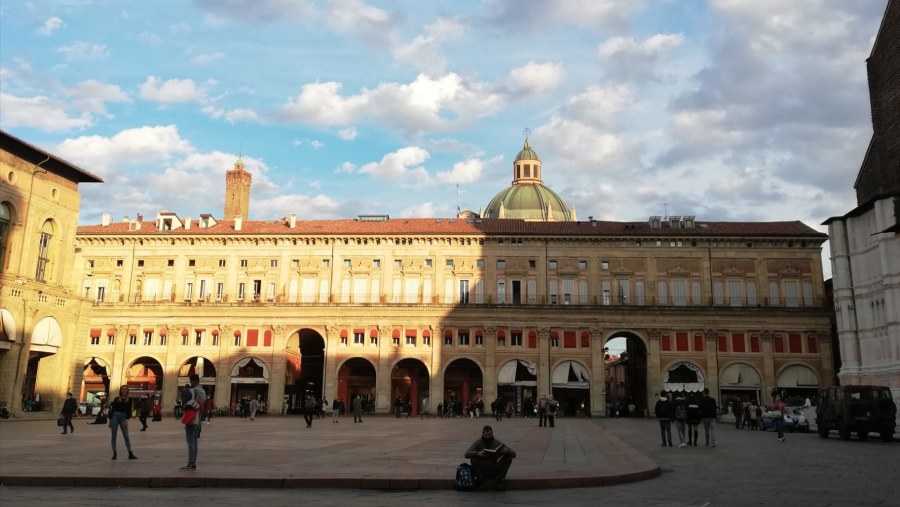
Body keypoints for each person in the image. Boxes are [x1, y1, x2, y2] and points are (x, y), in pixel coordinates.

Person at [464, 425, 517, 491]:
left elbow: (514, 454)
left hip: (494, 467)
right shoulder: (478, 442)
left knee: (508, 457)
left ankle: (500, 481)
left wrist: (506, 451)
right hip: (482, 469)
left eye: (489, 435)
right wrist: (477, 453)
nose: (488, 437)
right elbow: (466, 454)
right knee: (473, 459)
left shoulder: (497, 442)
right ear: (482, 434)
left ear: (492, 434)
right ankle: (481, 482)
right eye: (486, 435)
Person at [179, 373, 206, 470]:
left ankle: (190, 463)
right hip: (198, 418)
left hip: (191, 418)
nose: (191, 383)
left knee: (190, 442)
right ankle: (193, 462)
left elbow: (187, 402)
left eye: (191, 381)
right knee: (195, 442)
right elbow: (202, 403)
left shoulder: (193, 390)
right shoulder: (202, 391)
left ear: (194, 381)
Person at [108, 385, 137, 460]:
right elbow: (112, 409)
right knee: (114, 436)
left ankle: (130, 453)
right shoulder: (117, 399)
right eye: (123, 389)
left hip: (123, 418)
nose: (124, 391)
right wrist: (110, 420)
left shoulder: (130, 400)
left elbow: (129, 411)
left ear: (127, 391)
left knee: (126, 436)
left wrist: (126, 419)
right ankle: (114, 453)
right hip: (115, 417)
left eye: (125, 389)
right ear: (120, 391)